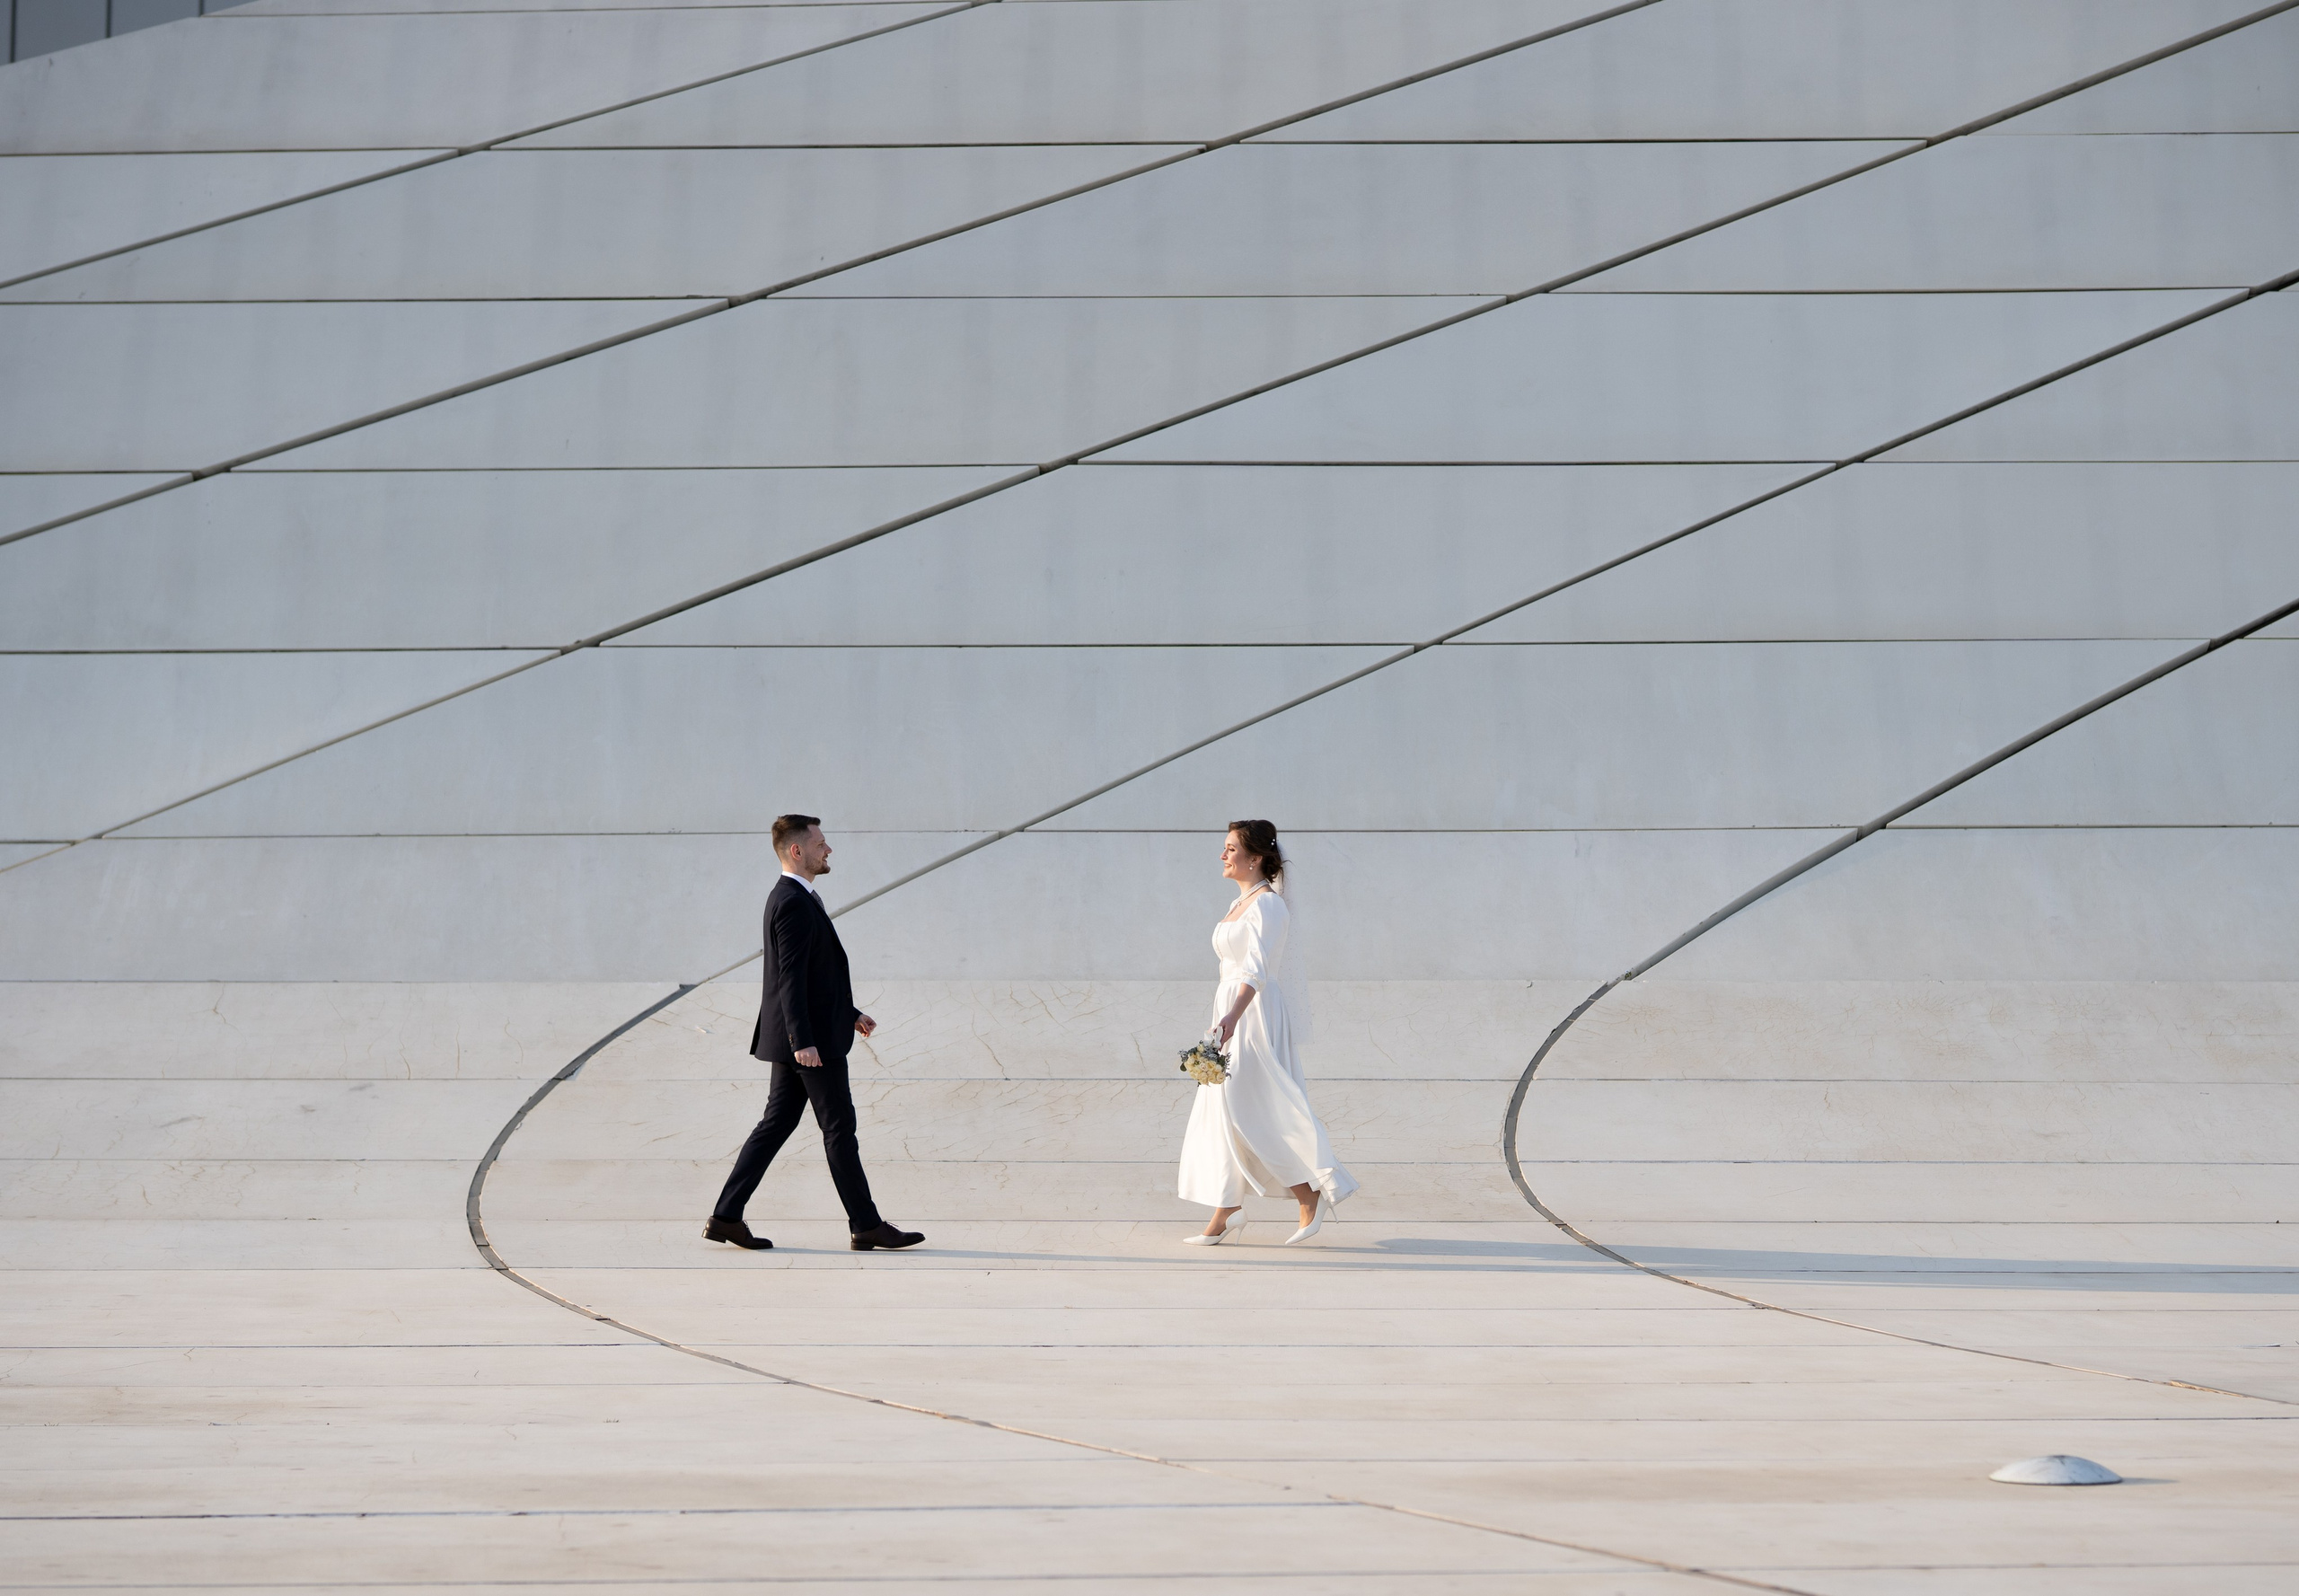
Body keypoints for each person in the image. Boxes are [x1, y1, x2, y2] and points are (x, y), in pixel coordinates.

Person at [705, 815, 924, 1253]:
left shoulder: (798, 897)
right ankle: (866, 1225)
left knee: (776, 1124)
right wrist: (802, 1040)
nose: (829, 850)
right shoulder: (791, 901)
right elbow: (789, 978)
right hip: (809, 1043)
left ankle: (726, 1216)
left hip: (807, 1033)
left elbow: (815, 976)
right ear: (797, 851)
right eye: (821, 843)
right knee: (839, 1127)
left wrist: (849, 1013)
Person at [1176, 820, 1357, 1246]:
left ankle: (1309, 1193)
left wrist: (1232, 1019)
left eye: (1231, 848)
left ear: (1255, 858)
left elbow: (1255, 971)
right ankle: (1227, 1210)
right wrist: (1222, 1017)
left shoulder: (1269, 906)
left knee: (1256, 1107)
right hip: (1230, 1007)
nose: (1223, 855)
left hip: (1253, 1013)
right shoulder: (1239, 904)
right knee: (1223, 1109)